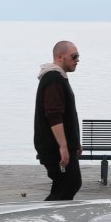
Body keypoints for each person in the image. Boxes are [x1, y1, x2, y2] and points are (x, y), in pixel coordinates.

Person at [33, 40, 82, 201]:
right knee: (69, 184)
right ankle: (44, 215)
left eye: (78, 56)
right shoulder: (53, 78)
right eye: (74, 56)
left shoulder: (58, 77)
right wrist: (63, 146)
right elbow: (54, 115)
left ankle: (53, 214)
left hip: (61, 145)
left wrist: (75, 142)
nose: (77, 60)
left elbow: (67, 114)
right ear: (60, 57)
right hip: (54, 147)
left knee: (67, 184)